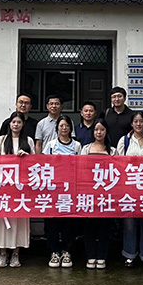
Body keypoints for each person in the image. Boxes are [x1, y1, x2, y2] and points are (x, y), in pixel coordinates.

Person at [115, 111, 143, 269]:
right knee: (129, 223)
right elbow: (118, 163)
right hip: (129, 188)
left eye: (141, 121)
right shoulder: (125, 141)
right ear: (131, 124)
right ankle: (129, 254)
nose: (138, 124)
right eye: (136, 121)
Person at [0, 111, 34, 268]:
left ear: (23, 124)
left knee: (19, 221)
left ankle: (16, 254)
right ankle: (2, 254)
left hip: (21, 188)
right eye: (13, 122)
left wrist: (26, 157)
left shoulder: (28, 141)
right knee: (2, 221)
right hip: (4, 187)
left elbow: (35, 164)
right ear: (9, 124)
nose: (16, 125)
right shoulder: (1, 141)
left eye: (19, 122)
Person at [43, 114, 82, 268]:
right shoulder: (51, 145)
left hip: (70, 191)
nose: (64, 128)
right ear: (57, 128)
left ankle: (67, 251)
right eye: (61, 126)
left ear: (70, 128)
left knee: (69, 222)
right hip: (53, 190)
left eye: (67, 126)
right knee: (52, 223)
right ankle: (54, 251)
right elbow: (43, 165)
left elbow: (81, 167)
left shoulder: (77, 146)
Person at [80, 117, 114, 269]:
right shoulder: (86, 149)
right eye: (96, 130)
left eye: (102, 129)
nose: (99, 132)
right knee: (89, 227)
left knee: (104, 227)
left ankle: (102, 256)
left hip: (106, 194)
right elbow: (80, 169)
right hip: (88, 193)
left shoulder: (112, 150)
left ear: (106, 131)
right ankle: (90, 255)